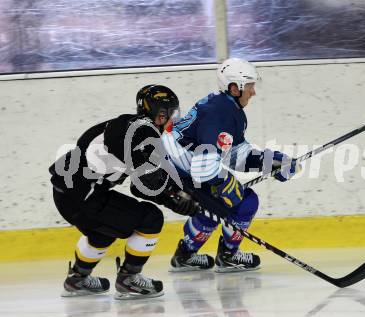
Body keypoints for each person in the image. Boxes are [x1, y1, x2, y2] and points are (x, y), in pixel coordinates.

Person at [49, 85, 198, 299]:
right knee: (151, 219)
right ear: (159, 113)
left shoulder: (138, 129)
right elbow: (147, 180)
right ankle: (129, 279)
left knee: (102, 232)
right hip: (83, 195)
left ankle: (77, 279)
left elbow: (140, 186)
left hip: (65, 194)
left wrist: (173, 198)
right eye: (170, 113)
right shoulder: (139, 129)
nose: (173, 119)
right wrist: (175, 196)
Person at [162, 58, 301, 273]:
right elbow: (205, 167)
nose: (253, 92)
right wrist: (224, 182)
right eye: (250, 86)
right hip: (179, 171)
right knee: (243, 202)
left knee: (218, 204)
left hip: (181, 167)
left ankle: (186, 255)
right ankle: (227, 255)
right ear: (235, 88)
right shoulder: (220, 113)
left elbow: (235, 155)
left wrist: (269, 162)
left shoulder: (227, 108)